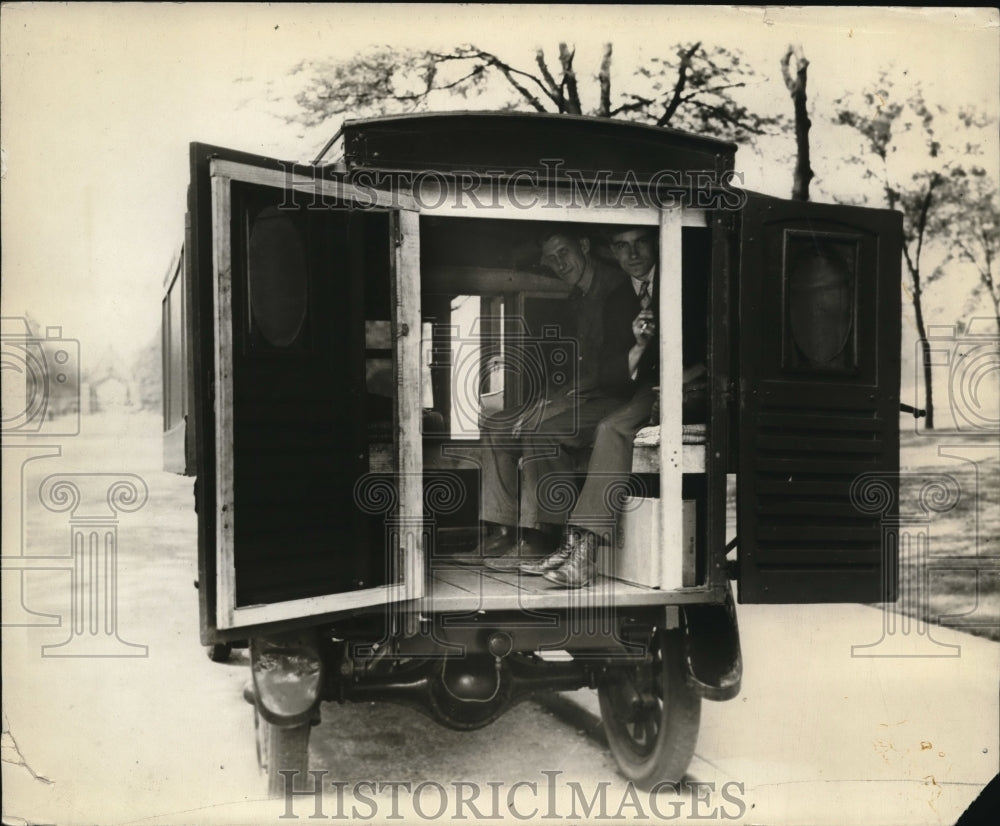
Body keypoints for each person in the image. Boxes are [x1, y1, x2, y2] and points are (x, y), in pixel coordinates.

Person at [463, 224, 627, 569]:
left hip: (614, 399)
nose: (559, 263)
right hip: (582, 395)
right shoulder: (577, 298)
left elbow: (613, 372)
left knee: (539, 431)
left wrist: (558, 405)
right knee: (496, 425)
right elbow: (574, 368)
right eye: (551, 258)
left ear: (584, 245)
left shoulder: (618, 290)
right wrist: (545, 401)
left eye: (563, 252)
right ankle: (503, 531)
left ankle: (541, 536)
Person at [521, 226, 665, 587]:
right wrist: (637, 347)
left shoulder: (679, 282)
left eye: (640, 242)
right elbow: (609, 371)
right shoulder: (619, 297)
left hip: (678, 386)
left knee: (611, 428)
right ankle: (562, 542)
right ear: (613, 252)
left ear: (656, 243)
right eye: (622, 246)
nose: (633, 254)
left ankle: (585, 555)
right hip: (627, 389)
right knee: (544, 433)